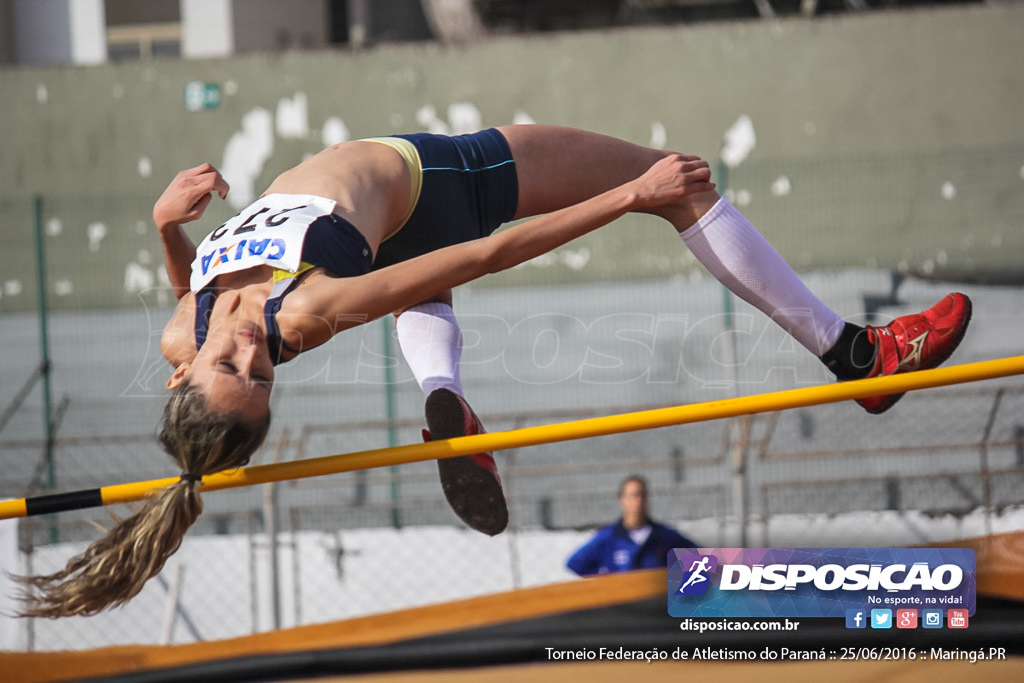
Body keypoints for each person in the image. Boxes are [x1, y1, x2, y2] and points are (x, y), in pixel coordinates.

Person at [16, 124, 970, 618]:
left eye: (235, 361)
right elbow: (483, 257)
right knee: (678, 180)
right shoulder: (301, 309)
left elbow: (188, 304)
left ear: (185, 375)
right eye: (264, 377)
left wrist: (163, 226)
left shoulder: (183, 330)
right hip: (440, 178)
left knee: (408, 289)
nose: (253, 353)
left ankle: (442, 394)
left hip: (390, 227)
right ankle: (858, 355)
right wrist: (627, 196)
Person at [567, 475, 697, 575]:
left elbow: (701, 559)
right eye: (634, 495)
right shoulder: (608, 537)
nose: (638, 500)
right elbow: (575, 563)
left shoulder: (664, 536)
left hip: (656, 605)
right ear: (623, 500)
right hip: (622, 605)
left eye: (643, 495)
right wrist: (606, 584)